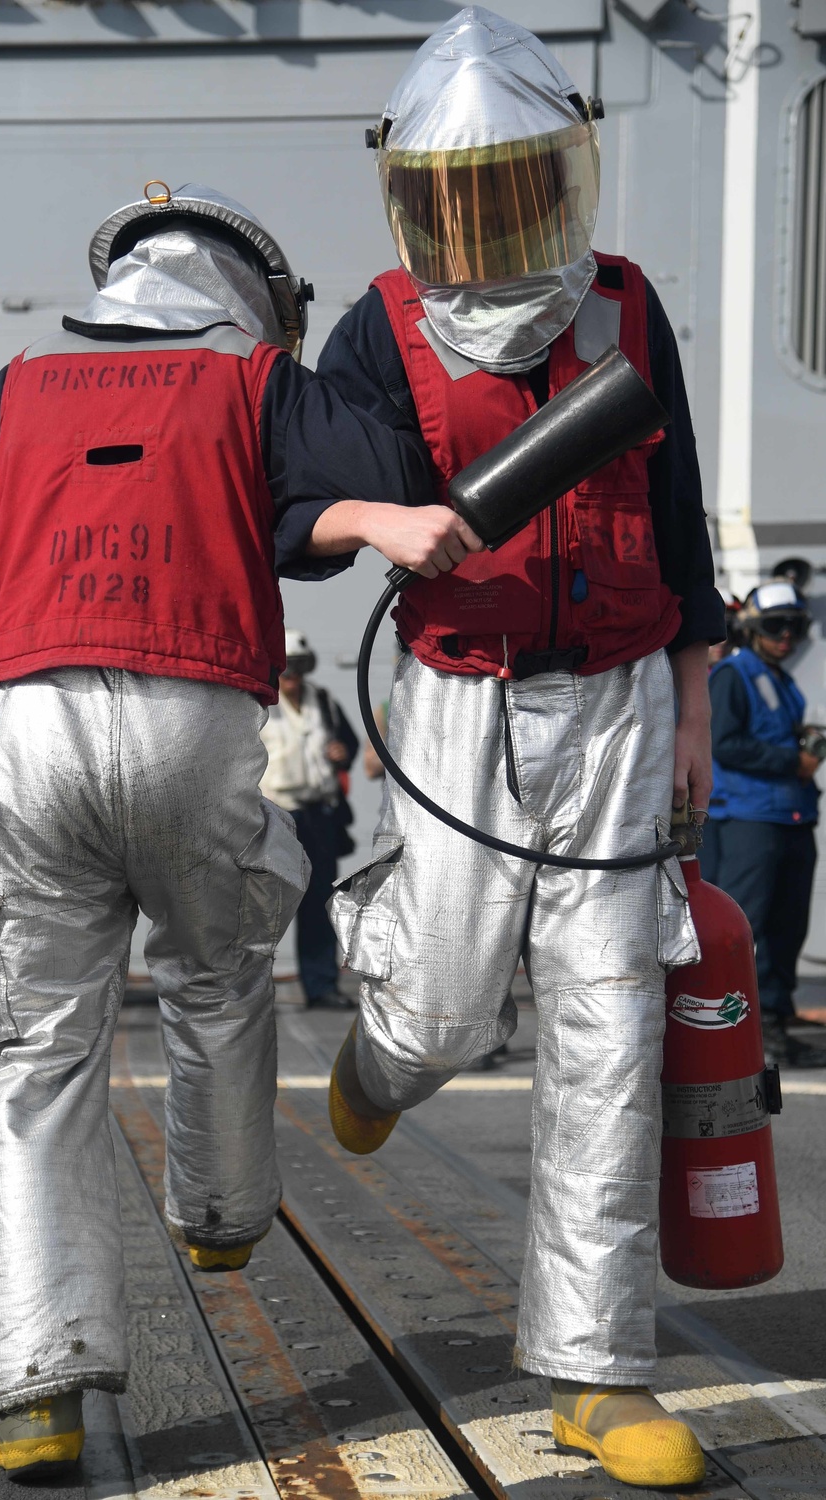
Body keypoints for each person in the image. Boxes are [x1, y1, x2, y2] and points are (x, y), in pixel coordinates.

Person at [0, 181, 471, 1480]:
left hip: (22, 722)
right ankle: (217, 1216)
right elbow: (391, 476)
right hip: (193, 712)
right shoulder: (256, 377)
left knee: (31, 1050)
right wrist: (335, 511)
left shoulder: (23, 381)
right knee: (216, 969)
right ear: (248, 289)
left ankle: (37, 1388)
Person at [292, 9, 724, 1488]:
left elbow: (681, 520)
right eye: (461, 195)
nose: (491, 221)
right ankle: (385, 1036)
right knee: (452, 1006)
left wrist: (698, 689)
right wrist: (379, 519)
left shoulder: (621, 305)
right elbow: (299, 512)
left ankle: (600, 1371)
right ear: (416, 198)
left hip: (618, 696)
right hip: (460, 692)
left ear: (567, 174)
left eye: (518, 182)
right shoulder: (377, 327)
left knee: (612, 1023)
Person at [703, 581, 825, 1065]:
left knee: (786, 929)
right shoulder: (734, 675)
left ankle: (772, 1026)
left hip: (789, 818)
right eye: (776, 626)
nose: (787, 637)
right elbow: (723, 743)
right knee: (745, 927)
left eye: (795, 626)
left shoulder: (776, 678)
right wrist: (790, 761)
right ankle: (729, 1029)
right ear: (752, 629)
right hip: (750, 820)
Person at [260, 629, 359, 1007]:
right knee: (262, 905)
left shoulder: (324, 702)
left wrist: (341, 752)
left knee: (320, 903)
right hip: (273, 815)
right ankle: (247, 988)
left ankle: (321, 986)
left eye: (298, 670)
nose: (292, 679)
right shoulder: (260, 705)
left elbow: (347, 743)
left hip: (319, 817)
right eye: (286, 671)